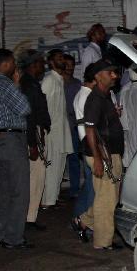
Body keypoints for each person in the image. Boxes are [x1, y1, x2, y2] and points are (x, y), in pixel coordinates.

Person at [0, 49, 32, 249]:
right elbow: (24, 108)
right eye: (13, 62)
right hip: (11, 139)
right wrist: (17, 83)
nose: (16, 67)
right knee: (20, 190)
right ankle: (14, 238)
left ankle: (4, 233)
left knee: (6, 190)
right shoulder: (4, 84)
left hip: (1, 140)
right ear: (6, 64)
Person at [83, 59, 125, 250]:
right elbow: (90, 130)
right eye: (110, 73)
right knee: (106, 200)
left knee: (109, 196)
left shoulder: (105, 96)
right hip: (102, 154)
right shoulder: (94, 99)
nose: (115, 76)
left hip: (111, 152)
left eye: (115, 72)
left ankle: (83, 221)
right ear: (98, 76)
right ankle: (102, 242)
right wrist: (98, 159)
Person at [19, 51, 51, 232]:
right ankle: (29, 218)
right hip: (32, 134)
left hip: (34, 133)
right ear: (32, 65)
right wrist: (32, 143)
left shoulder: (29, 83)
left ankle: (29, 216)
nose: (42, 66)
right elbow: (29, 117)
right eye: (40, 63)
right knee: (36, 177)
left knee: (35, 177)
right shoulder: (29, 85)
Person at [40, 50, 73, 209]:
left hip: (61, 130)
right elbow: (42, 106)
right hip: (52, 132)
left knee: (59, 167)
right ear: (51, 62)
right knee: (51, 168)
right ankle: (47, 201)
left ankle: (53, 197)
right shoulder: (49, 80)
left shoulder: (59, 80)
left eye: (63, 58)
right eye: (59, 58)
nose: (63, 61)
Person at [71, 66, 97, 242]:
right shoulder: (87, 96)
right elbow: (91, 124)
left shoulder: (81, 94)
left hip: (85, 143)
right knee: (93, 188)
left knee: (89, 186)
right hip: (89, 144)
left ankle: (78, 218)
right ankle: (85, 224)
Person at [61, 55, 83, 199]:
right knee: (60, 159)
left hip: (73, 126)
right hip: (61, 127)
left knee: (74, 159)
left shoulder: (77, 84)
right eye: (67, 65)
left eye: (72, 65)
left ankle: (74, 189)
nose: (70, 68)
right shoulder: (58, 82)